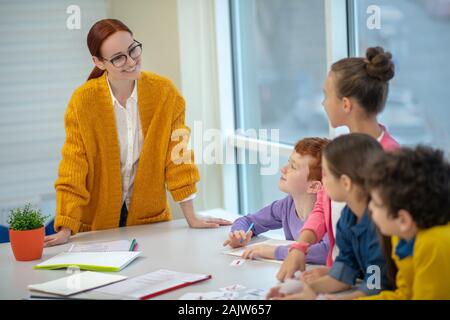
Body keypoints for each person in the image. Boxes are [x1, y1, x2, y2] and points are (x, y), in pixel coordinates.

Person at [44, 19, 231, 247]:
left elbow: (178, 158)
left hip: (149, 223)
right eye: (119, 57)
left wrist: (191, 215)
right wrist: (65, 228)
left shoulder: (164, 93)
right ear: (99, 62)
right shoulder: (83, 102)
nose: (131, 61)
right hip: (96, 227)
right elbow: (73, 168)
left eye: (133, 49)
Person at [277, 46, 400, 283]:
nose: (323, 103)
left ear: (345, 104)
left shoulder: (390, 159)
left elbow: (391, 237)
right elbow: (323, 208)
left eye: (326, 95)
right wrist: (300, 247)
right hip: (343, 278)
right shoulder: (337, 151)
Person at [268, 134, 393, 300]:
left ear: (346, 183)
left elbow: (375, 286)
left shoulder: (380, 228)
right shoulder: (347, 218)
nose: (321, 181)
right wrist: (303, 290)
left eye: (325, 175)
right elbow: (344, 271)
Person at [360, 146, 450, 300]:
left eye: (375, 202)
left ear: (403, 220)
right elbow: (405, 295)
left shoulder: (434, 244)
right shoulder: (403, 237)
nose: (369, 207)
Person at [223, 138, 330, 264]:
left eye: (293, 167)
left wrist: (274, 252)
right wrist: (239, 234)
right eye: (288, 162)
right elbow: (248, 220)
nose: (283, 169)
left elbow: (325, 252)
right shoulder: (286, 205)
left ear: (314, 186)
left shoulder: (330, 215)